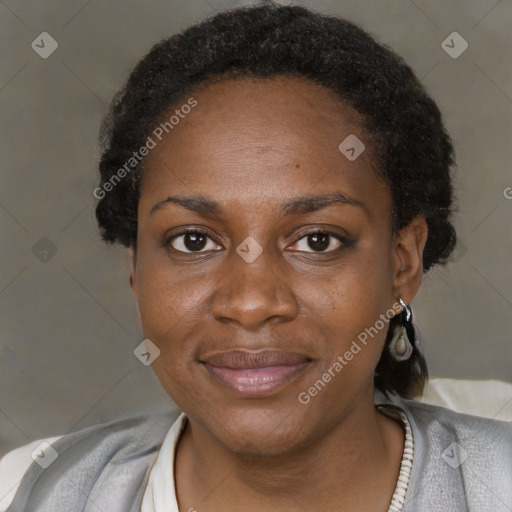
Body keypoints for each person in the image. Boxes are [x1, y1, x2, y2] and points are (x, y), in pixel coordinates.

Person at [1, 3, 511, 511]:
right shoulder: (29, 490)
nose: (250, 303)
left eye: (317, 240)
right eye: (193, 241)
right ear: (137, 269)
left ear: (402, 263)